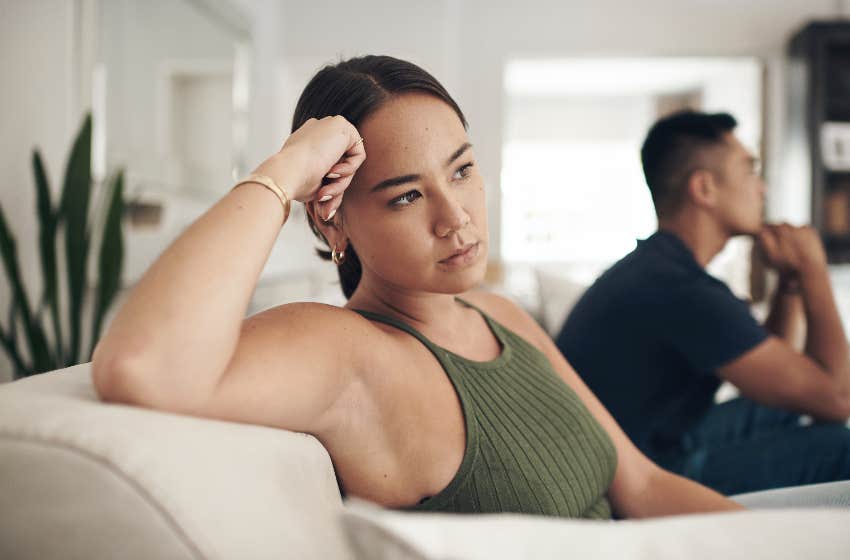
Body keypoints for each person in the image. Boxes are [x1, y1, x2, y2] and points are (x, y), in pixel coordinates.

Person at [92, 56, 739, 519]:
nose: (454, 216)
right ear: (333, 215)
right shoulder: (351, 354)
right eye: (406, 195)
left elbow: (646, 487)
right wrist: (285, 171)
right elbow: (144, 366)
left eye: (461, 170)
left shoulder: (499, 314)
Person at [556, 110, 850, 495]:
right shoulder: (681, 290)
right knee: (840, 447)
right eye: (750, 171)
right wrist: (814, 267)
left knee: (786, 407)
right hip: (638, 475)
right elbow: (837, 399)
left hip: (645, 443)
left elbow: (774, 367)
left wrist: (790, 283)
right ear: (704, 188)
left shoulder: (661, 269)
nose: (761, 189)